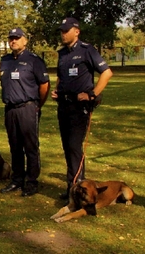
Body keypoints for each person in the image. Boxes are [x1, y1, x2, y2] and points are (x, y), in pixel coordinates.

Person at [51, 17, 113, 199]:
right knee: (67, 147)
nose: (63, 34)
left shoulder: (87, 50)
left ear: (76, 31)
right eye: (61, 31)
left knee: (74, 146)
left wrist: (92, 94)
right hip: (63, 105)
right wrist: (57, 90)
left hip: (79, 107)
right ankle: (73, 187)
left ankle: (78, 187)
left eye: (66, 30)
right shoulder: (62, 53)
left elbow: (107, 73)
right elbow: (61, 76)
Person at [0, 28, 50, 197]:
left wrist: (37, 105)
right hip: (10, 109)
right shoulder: (5, 60)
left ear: (25, 40)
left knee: (30, 147)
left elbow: (44, 85)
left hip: (28, 108)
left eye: (17, 38)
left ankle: (32, 181)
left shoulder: (34, 60)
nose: (13, 41)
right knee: (15, 147)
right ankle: (17, 179)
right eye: (11, 38)